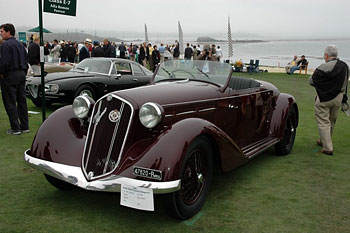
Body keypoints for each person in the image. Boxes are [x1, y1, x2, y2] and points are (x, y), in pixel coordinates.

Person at [309, 45, 349, 155]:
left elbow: (311, 81)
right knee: (332, 120)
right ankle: (324, 140)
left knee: (323, 122)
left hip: (323, 97)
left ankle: (327, 147)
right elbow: (345, 83)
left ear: (326, 55)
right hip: (339, 97)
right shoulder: (345, 66)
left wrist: (324, 87)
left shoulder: (323, 67)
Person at [0, 23, 29, 135]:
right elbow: (26, 60)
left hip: (10, 75)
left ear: (8, 32)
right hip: (21, 73)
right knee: (22, 101)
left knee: (10, 101)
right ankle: (25, 126)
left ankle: (15, 128)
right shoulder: (20, 45)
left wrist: (2, 73)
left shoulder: (6, 45)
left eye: (2, 31)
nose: (1, 34)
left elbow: (4, 62)